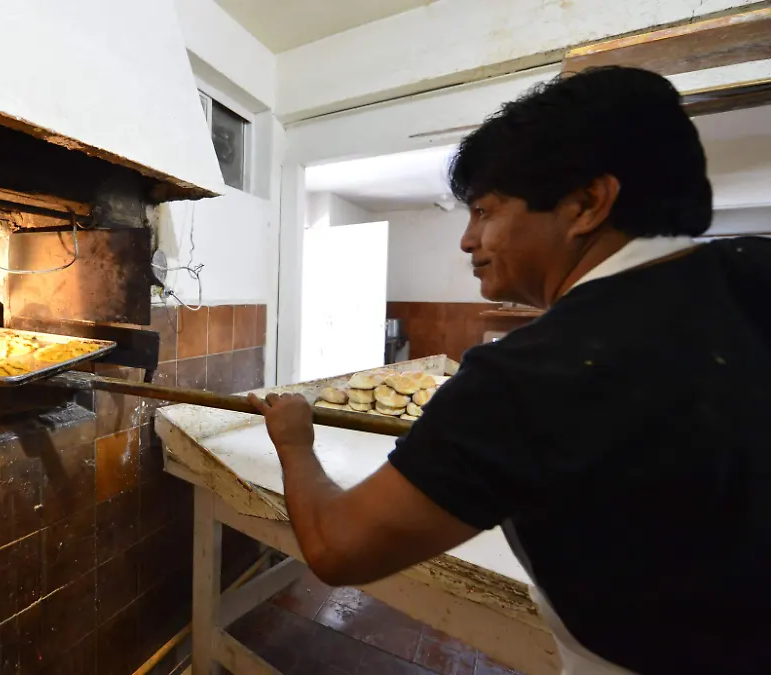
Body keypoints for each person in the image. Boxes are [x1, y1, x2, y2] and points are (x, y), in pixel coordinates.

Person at [249, 66, 771, 675]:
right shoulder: (752, 271)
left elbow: (338, 550)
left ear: (585, 203)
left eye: (485, 212)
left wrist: (295, 440)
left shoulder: (530, 376)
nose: (468, 241)